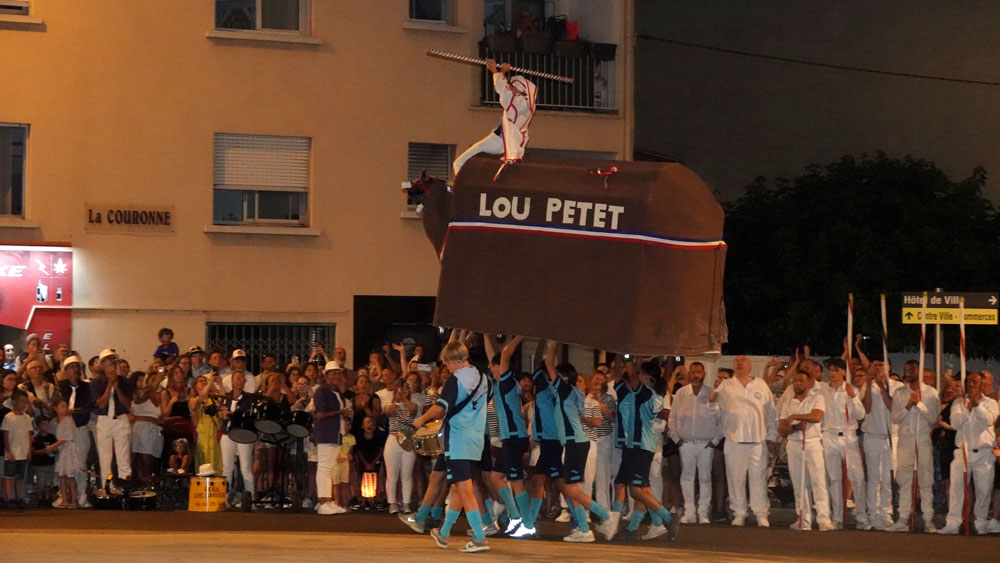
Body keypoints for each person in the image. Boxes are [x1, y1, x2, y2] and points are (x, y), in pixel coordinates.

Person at [413, 341, 491, 553]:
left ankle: (479, 537)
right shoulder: (483, 378)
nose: (446, 368)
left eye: (446, 363)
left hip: (458, 439)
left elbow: (441, 407)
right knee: (459, 488)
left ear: (453, 360)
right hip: (476, 439)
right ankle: (444, 532)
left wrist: (421, 420)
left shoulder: (456, 380)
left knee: (464, 489)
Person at [709, 355, 777, 527]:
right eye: (736, 361)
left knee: (758, 479)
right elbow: (715, 410)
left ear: (750, 366)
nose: (739, 364)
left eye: (742, 361)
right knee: (735, 479)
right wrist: (711, 400)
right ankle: (739, 513)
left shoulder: (761, 384)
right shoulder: (726, 385)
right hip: (734, 441)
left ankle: (761, 514)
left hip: (757, 441)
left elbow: (771, 412)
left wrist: (772, 436)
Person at [452, 59, 538, 179]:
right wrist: (502, 73)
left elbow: (503, 90)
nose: (511, 88)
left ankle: (462, 186)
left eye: (513, 87)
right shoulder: (525, 104)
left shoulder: (519, 104)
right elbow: (505, 89)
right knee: (465, 161)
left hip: (499, 141)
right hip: (500, 140)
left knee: (459, 162)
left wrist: (497, 71)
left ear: (520, 90)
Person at [939, 372, 998, 534]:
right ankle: (953, 523)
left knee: (983, 491)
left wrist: (977, 405)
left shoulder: (991, 403)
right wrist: (967, 410)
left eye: (975, 382)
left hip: (984, 453)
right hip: (962, 451)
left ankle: (980, 523)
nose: (971, 385)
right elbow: (955, 423)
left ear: (982, 384)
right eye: (969, 382)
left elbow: (989, 420)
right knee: (956, 490)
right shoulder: (959, 403)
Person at [887, 359, 940, 532]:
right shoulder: (900, 393)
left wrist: (920, 404)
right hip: (905, 440)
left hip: (922, 439)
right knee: (904, 480)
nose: (907, 372)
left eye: (911, 369)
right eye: (906, 369)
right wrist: (909, 405)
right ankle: (903, 518)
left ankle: (928, 518)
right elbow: (895, 418)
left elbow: (933, 417)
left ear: (919, 370)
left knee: (925, 480)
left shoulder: (930, 392)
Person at [779, 370, 834, 531]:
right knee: (799, 483)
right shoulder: (788, 402)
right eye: (795, 381)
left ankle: (824, 518)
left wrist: (794, 417)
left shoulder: (817, 398)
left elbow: (816, 416)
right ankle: (804, 518)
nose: (797, 384)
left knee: (818, 482)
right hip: (794, 444)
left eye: (801, 381)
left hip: (812, 443)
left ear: (809, 383)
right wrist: (795, 426)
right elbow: (782, 428)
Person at [669, 361, 721, 524]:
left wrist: (715, 441)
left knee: (705, 478)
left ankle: (703, 512)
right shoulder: (681, 393)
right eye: (692, 372)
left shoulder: (711, 394)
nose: (695, 375)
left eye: (698, 372)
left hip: (706, 444)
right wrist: (677, 439)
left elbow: (721, 420)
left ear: (704, 374)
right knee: (686, 478)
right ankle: (689, 512)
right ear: (688, 374)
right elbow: (672, 417)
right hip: (686, 443)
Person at [818, 357, 867, 530]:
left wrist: (852, 396)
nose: (832, 373)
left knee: (857, 477)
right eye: (830, 370)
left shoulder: (851, 389)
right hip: (829, 435)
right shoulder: (822, 390)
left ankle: (862, 516)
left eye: (836, 370)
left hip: (848, 435)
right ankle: (837, 517)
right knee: (834, 478)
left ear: (843, 372)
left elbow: (860, 415)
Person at [861, 359, 903, 530]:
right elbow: (866, 408)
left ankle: (886, 513)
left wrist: (882, 386)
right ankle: (873, 514)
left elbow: (894, 407)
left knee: (888, 477)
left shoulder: (897, 386)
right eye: (876, 365)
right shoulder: (867, 386)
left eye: (881, 365)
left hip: (891, 437)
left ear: (889, 367)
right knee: (873, 478)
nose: (878, 368)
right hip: (873, 436)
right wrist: (870, 384)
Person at [55, 356, 93, 506]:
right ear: (65, 371)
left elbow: (90, 406)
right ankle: (64, 495)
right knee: (63, 466)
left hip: (80, 428)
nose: (75, 370)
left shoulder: (87, 387)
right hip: (63, 431)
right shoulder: (60, 387)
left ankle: (81, 495)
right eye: (71, 367)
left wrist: (74, 411)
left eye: (77, 367)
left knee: (80, 464)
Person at [314, 360, 351, 515]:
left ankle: (327, 501)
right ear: (327, 375)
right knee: (324, 468)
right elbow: (320, 414)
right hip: (326, 434)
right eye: (333, 374)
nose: (336, 376)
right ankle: (323, 501)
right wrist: (340, 412)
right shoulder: (321, 391)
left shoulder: (337, 392)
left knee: (329, 468)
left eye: (338, 374)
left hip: (336, 434)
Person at [93, 349, 132, 485]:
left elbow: (128, 405)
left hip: (121, 419)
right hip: (104, 420)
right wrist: (110, 385)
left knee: (124, 457)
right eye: (108, 360)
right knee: (105, 458)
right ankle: (107, 487)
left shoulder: (124, 381)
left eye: (114, 359)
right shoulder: (97, 382)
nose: (112, 362)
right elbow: (101, 404)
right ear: (102, 364)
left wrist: (117, 388)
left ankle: (124, 486)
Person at [219, 370, 256, 507]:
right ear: (232, 381)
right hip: (227, 434)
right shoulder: (226, 397)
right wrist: (221, 414)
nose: (240, 381)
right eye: (237, 378)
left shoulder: (248, 398)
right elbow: (220, 411)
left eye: (242, 379)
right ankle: (224, 499)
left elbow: (245, 414)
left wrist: (230, 414)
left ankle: (250, 499)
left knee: (245, 468)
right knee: (227, 468)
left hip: (243, 434)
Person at [130, 372, 164, 487]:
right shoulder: (139, 394)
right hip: (142, 429)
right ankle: (143, 484)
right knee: (144, 460)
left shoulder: (158, 394)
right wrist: (157, 381)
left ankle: (149, 483)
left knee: (150, 461)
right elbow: (141, 398)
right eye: (152, 380)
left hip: (153, 430)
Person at [2, 389, 32, 506]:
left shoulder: (27, 418)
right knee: (9, 476)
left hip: (23, 452)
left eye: (25, 402)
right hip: (12, 451)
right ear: (14, 402)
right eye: (21, 401)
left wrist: (29, 450)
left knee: (20, 476)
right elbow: (6, 435)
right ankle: (9, 497)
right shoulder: (8, 417)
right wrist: (8, 451)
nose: (24, 404)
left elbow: (29, 435)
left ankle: (18, 497)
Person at [189, 375, 222, 476]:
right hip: (202, 432)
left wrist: (220, 384)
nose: (204, 382)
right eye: (200, 381)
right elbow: (201, 397)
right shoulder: (193, 400)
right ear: (195, 386)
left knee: (216, 458)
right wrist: (210, 382)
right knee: (203, 459)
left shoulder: (213, 399)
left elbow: (223, 400)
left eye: (205, 381)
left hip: (214, 432)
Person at [52, 397, 79, 508]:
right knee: (62, 476)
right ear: (55, 408)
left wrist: (51, 447)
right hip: (61, 451)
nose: (65, 408)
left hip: (68, 450)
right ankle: (64, 499)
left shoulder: (68, 420)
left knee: (70, 475)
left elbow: (65, 438)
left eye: (65, 406)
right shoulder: (54, 422)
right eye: (62, 406)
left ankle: (73, 499)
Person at [31, 415, 58, 506]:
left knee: (48, 482)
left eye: (47, 424)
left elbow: (56, 449)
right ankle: (40, 498)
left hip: (50, 463)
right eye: (43, 424)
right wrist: (44, 451)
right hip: (39, 464)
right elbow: (33, 451)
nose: (46, 426)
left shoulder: (51, 437)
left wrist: (53, 450)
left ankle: (46, 498)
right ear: (38, 426)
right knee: (41, 482)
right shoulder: (36, 438)